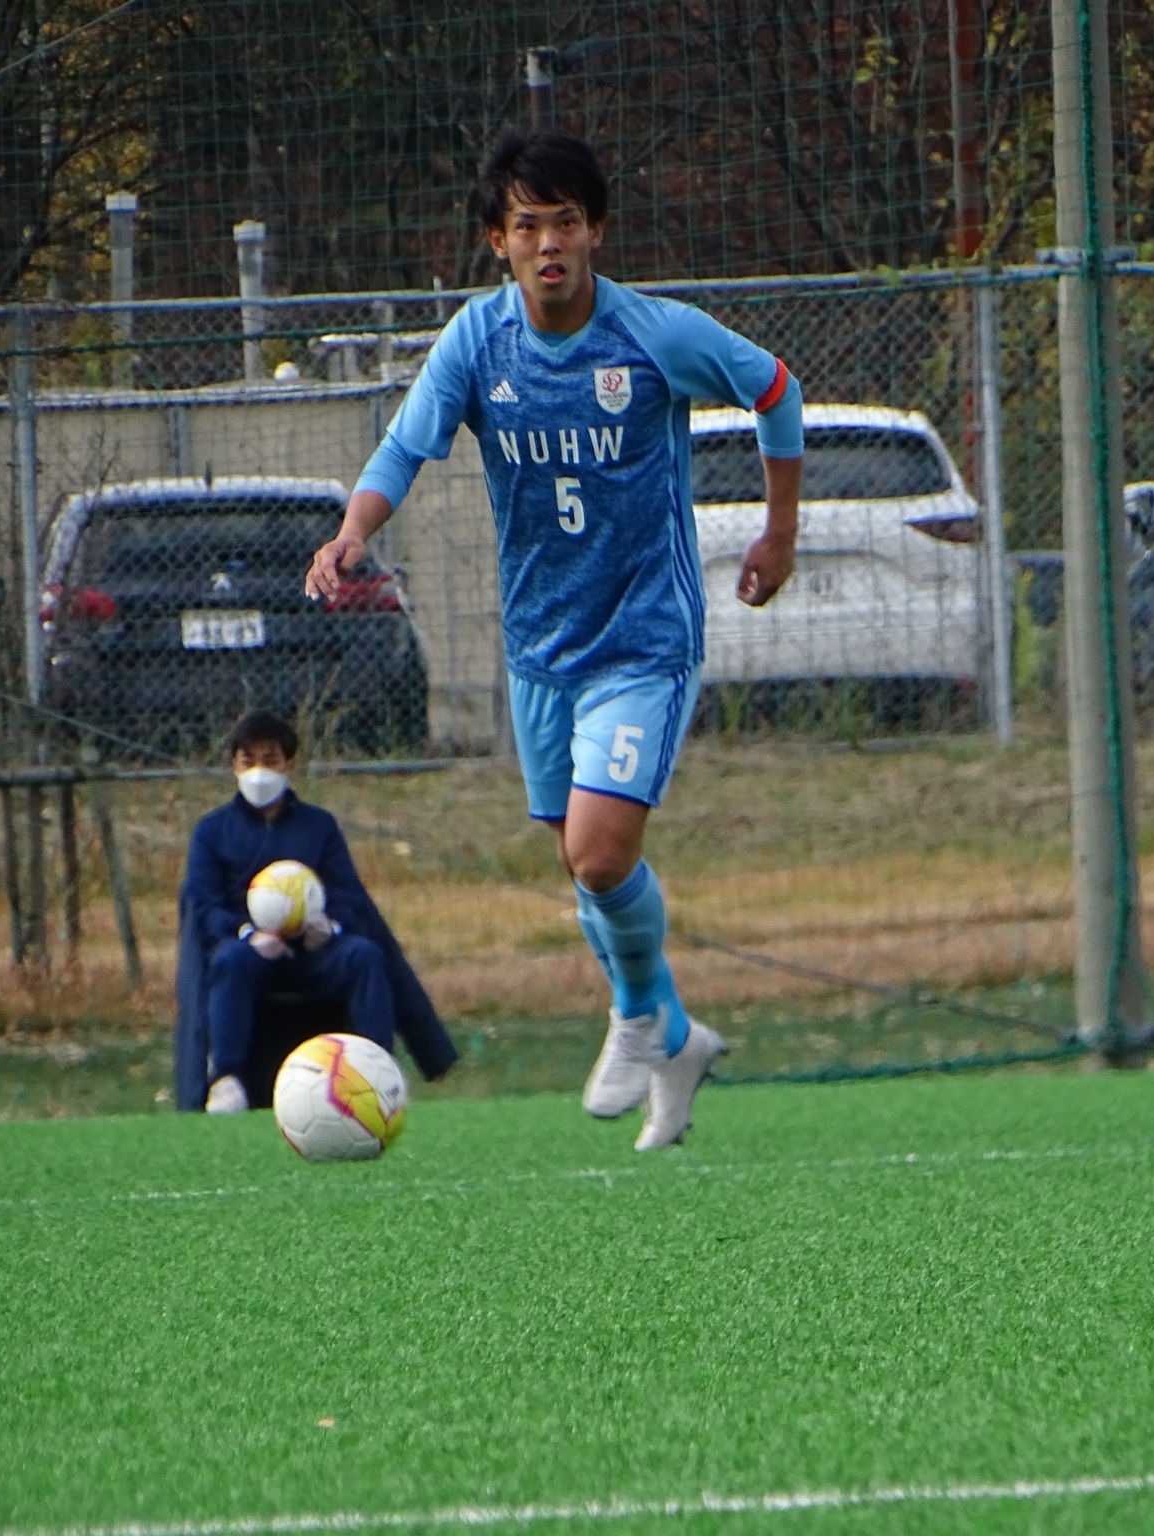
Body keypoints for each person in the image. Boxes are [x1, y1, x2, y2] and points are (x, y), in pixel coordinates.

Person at [306, 129, 803, 1151]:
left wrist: (779, 533)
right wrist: (354, 529)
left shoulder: (652, 335)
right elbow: (405, 447)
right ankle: (676, 1042)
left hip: (644, 637)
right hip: (540, 649)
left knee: (599, 852)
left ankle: (639, 1015)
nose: (548, 244)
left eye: (565, 223)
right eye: (527, 225)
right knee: (584, 866)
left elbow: (773, 389)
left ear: (595, 231)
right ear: (497, 240)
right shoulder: (477, 342)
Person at [175, 711, 458, 1112]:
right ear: (233, 766)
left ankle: (378, 1072)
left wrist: (330, 926)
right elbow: (204, 906)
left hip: (314, 951)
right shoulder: (211, 831)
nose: (258, 772)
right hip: (251, 952)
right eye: (247, 761)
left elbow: (348, 894)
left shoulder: (319, 826)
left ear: (290, 764)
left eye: (270, 760)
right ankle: (227, 1079)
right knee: (228, 961)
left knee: (364, 956)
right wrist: (247, 933)